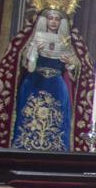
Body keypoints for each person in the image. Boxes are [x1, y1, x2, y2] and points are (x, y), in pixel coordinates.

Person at [11, 8, 82, 151]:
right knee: (30, 115)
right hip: (34, 82)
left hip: (56, 84)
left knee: (56, 118)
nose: (54, 22)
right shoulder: (34, 39)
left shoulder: (66, 42)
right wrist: (34, 52)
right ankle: (25, 148)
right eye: (51, 18)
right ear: (45, 20)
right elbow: (27, 66)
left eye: (57, 19)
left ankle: (55, 149)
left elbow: (76, 68)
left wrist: (70, 62)